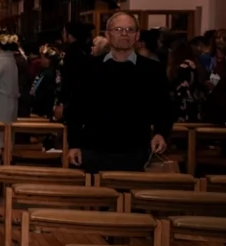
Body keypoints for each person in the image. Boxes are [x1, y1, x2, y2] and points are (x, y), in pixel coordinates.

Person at [64, 11, 172, 173]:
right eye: (118, 29)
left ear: (137, 36)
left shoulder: (152, 69)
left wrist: (160, 133)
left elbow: (164, 107)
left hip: (136, 149)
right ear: (107, 34)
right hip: (94, 148)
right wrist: (74, 144)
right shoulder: (88, 67)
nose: (124, 34)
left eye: (129, 30)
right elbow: (75, 109)